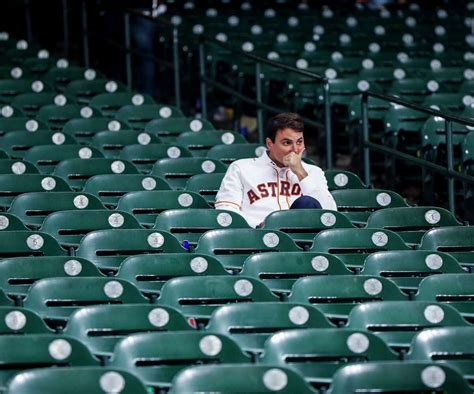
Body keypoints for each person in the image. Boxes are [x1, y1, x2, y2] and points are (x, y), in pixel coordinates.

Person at [215, 112, 337, 228]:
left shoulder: (313, 172)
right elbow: (226, 210)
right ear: (269, 144)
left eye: (299, 142)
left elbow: (330, 215)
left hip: (303, 239)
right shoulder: (241, 168)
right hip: (258, 236)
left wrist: (301, 173)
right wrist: (260, 225)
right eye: (287, 143)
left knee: (306, 203)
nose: (295, 149)